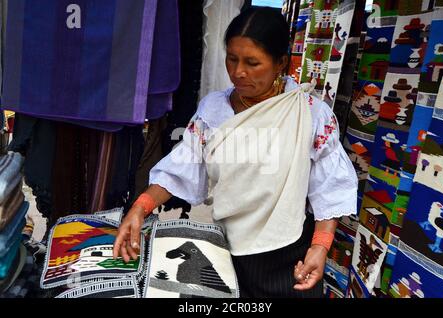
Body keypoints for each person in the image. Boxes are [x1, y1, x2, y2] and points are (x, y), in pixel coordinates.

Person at [113, 7, 357, 298]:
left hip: (290, 258)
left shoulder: (310, 115)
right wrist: (140, 208)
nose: (238, 72)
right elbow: (182, 166)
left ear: (280, 62)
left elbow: (330, 186)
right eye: (232, 59)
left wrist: (320, 246)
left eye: (252, 63)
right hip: (226, 251)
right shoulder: (214, 110)